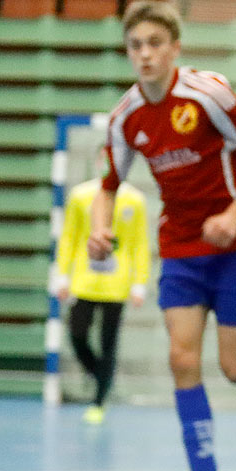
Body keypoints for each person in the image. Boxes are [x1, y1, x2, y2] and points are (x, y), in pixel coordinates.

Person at [91, 0, 236, 471]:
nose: (144, 55)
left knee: (234, 369)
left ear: (174, 48)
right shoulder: (126, 117)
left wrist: (234, 214)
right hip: (184, 250)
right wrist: (102, 226)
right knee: (182, 359)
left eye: (154, 44)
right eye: (135, 46)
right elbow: (108, 187)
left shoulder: (206, 93)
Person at [53, 172, 151, 422]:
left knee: (109, 342)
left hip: (116, 284)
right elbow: (69, 237)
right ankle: (100, 377)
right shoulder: (80, 195)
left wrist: (139, 283)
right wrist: (62, 275)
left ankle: (99, 400)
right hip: (84, 280)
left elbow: (140, 243)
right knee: (77, 333)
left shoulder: (134, 200)